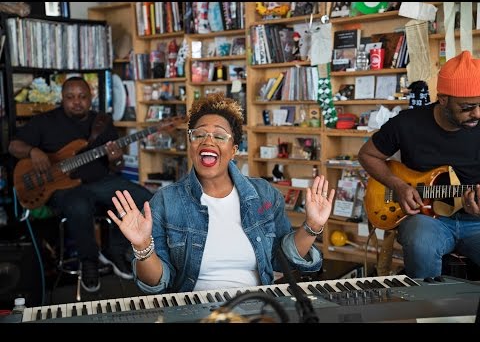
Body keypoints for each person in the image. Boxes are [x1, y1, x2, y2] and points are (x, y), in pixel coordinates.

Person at [108, 93, 335, 293]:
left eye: (219, 136)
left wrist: (312, 226)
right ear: (191, 144)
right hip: (192, 312)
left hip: (256, 307)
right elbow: (157, 283)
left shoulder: (264, 194)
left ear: (234, 150)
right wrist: (142, 247)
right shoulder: (166, 202)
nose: (208, 141)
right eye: (199, 135)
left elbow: (281, 260)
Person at [9, 76, 153, 292]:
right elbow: (13, 146)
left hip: (101, 181)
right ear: (62, 98)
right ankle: (89, 261)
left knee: (144, 198)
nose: (76, 102)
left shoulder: (101, 123)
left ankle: (115, 249)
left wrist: (116, 158)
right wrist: (33, 151)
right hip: (63, 189)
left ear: (91, 97)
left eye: (82, 97)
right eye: (70, 97)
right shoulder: (45, 122)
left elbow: (117, 166)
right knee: (79, 205)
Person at [358, 50, 480, 278]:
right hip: (426, 219)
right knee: (421, 242)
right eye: (467, 107)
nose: (477, 113)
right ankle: (427, 311)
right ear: (443, 99)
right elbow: (367, 155)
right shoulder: (407, 123)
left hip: (476, 221)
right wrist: (397, 185)